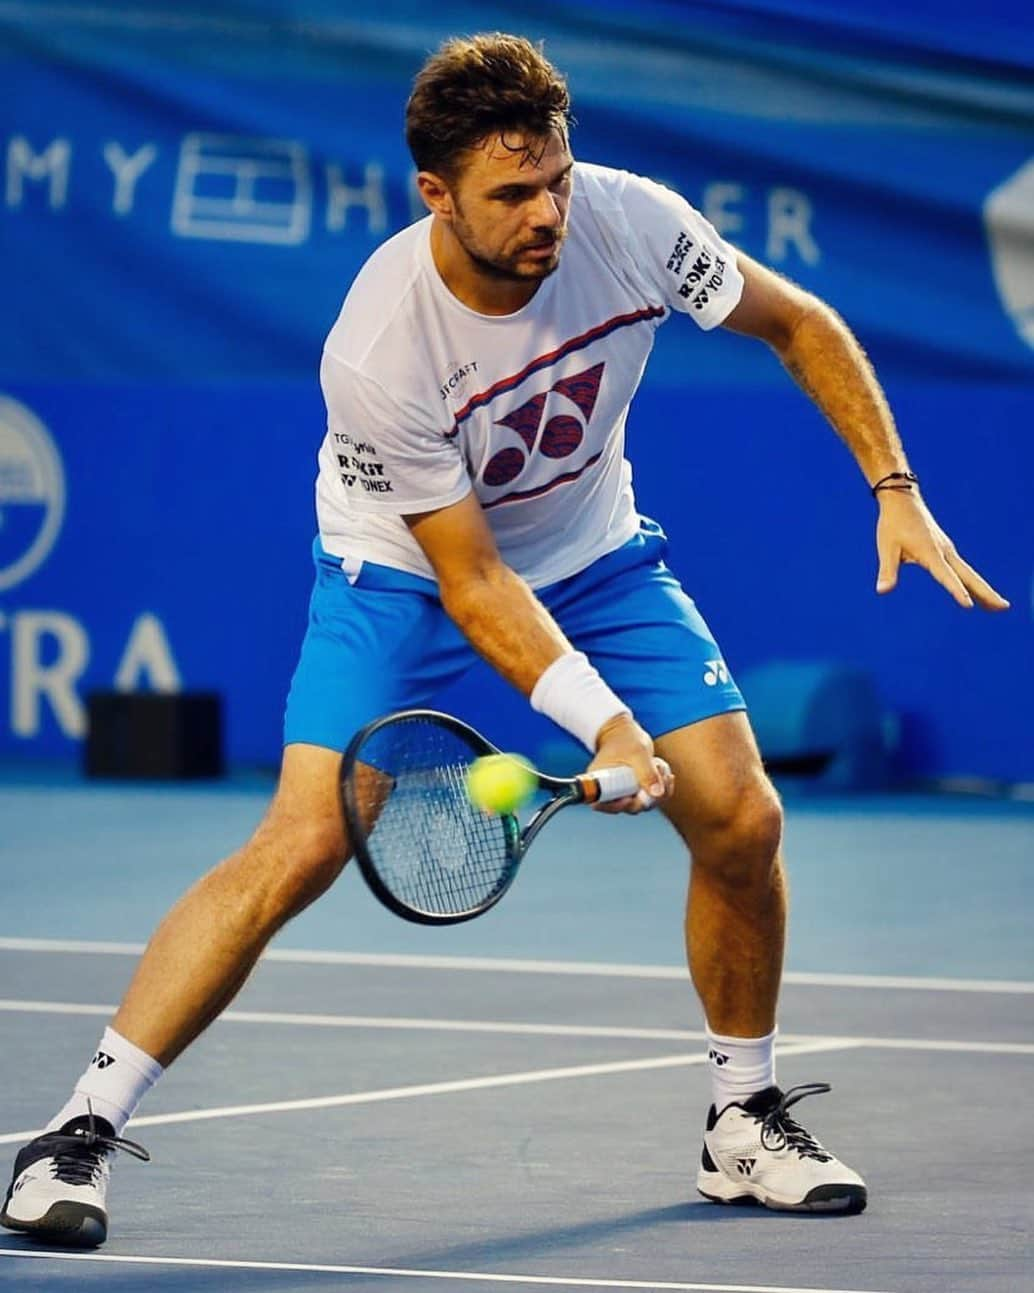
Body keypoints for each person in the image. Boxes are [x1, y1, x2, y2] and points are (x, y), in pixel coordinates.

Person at [2, 33, 1008, 1247]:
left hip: (593, 558)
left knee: (740, 815)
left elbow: (797, 324)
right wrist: (608, 728)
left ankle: (741, 1122)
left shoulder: (631, 224)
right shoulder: (378, 348)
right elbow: (472, 584)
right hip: (405, 575)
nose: (547, 215)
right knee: (307, 837)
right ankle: (75, 1134)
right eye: (511, 195)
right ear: (435, 194)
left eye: (557, 181)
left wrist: (890, 483)